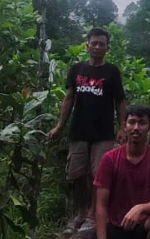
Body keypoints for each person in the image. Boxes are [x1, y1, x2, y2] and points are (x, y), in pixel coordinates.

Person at [48, 27, 128, 236]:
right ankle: (80, 213)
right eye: (94, 43)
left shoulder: (112, 71)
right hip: (78, 131)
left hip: (103, 133)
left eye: (102, 44)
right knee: (76, 174)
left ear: (107, 48)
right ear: (87, 45)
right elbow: (68, 99)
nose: (97, 47)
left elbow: (120, 100)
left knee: (99, 175)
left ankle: (93, 216)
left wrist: (122, 127)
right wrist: (59, 126)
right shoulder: (77, 69)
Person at [75, 105, 150, 239]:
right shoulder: (110, 159)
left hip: (143, 224)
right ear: (124, 125)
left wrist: (140, 208)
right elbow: (101, 205)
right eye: (132, 122)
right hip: (114, 225)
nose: (136, 128)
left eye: (142, 123)